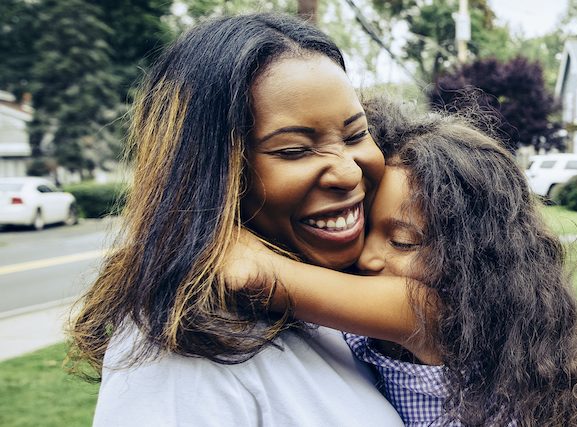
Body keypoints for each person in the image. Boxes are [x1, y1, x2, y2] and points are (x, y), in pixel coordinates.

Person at [66, 14, 404, 425]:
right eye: (294, 150)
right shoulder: (183, 353)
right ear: (210, 174)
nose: (349, 173)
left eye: (355, 135)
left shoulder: (345, 287)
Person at [225, 97, 577, 426]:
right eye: (366, 227)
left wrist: (214, 213)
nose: (368, 257)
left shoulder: (430, 314)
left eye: (402, 242)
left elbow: (252, 273)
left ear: (470, 262)